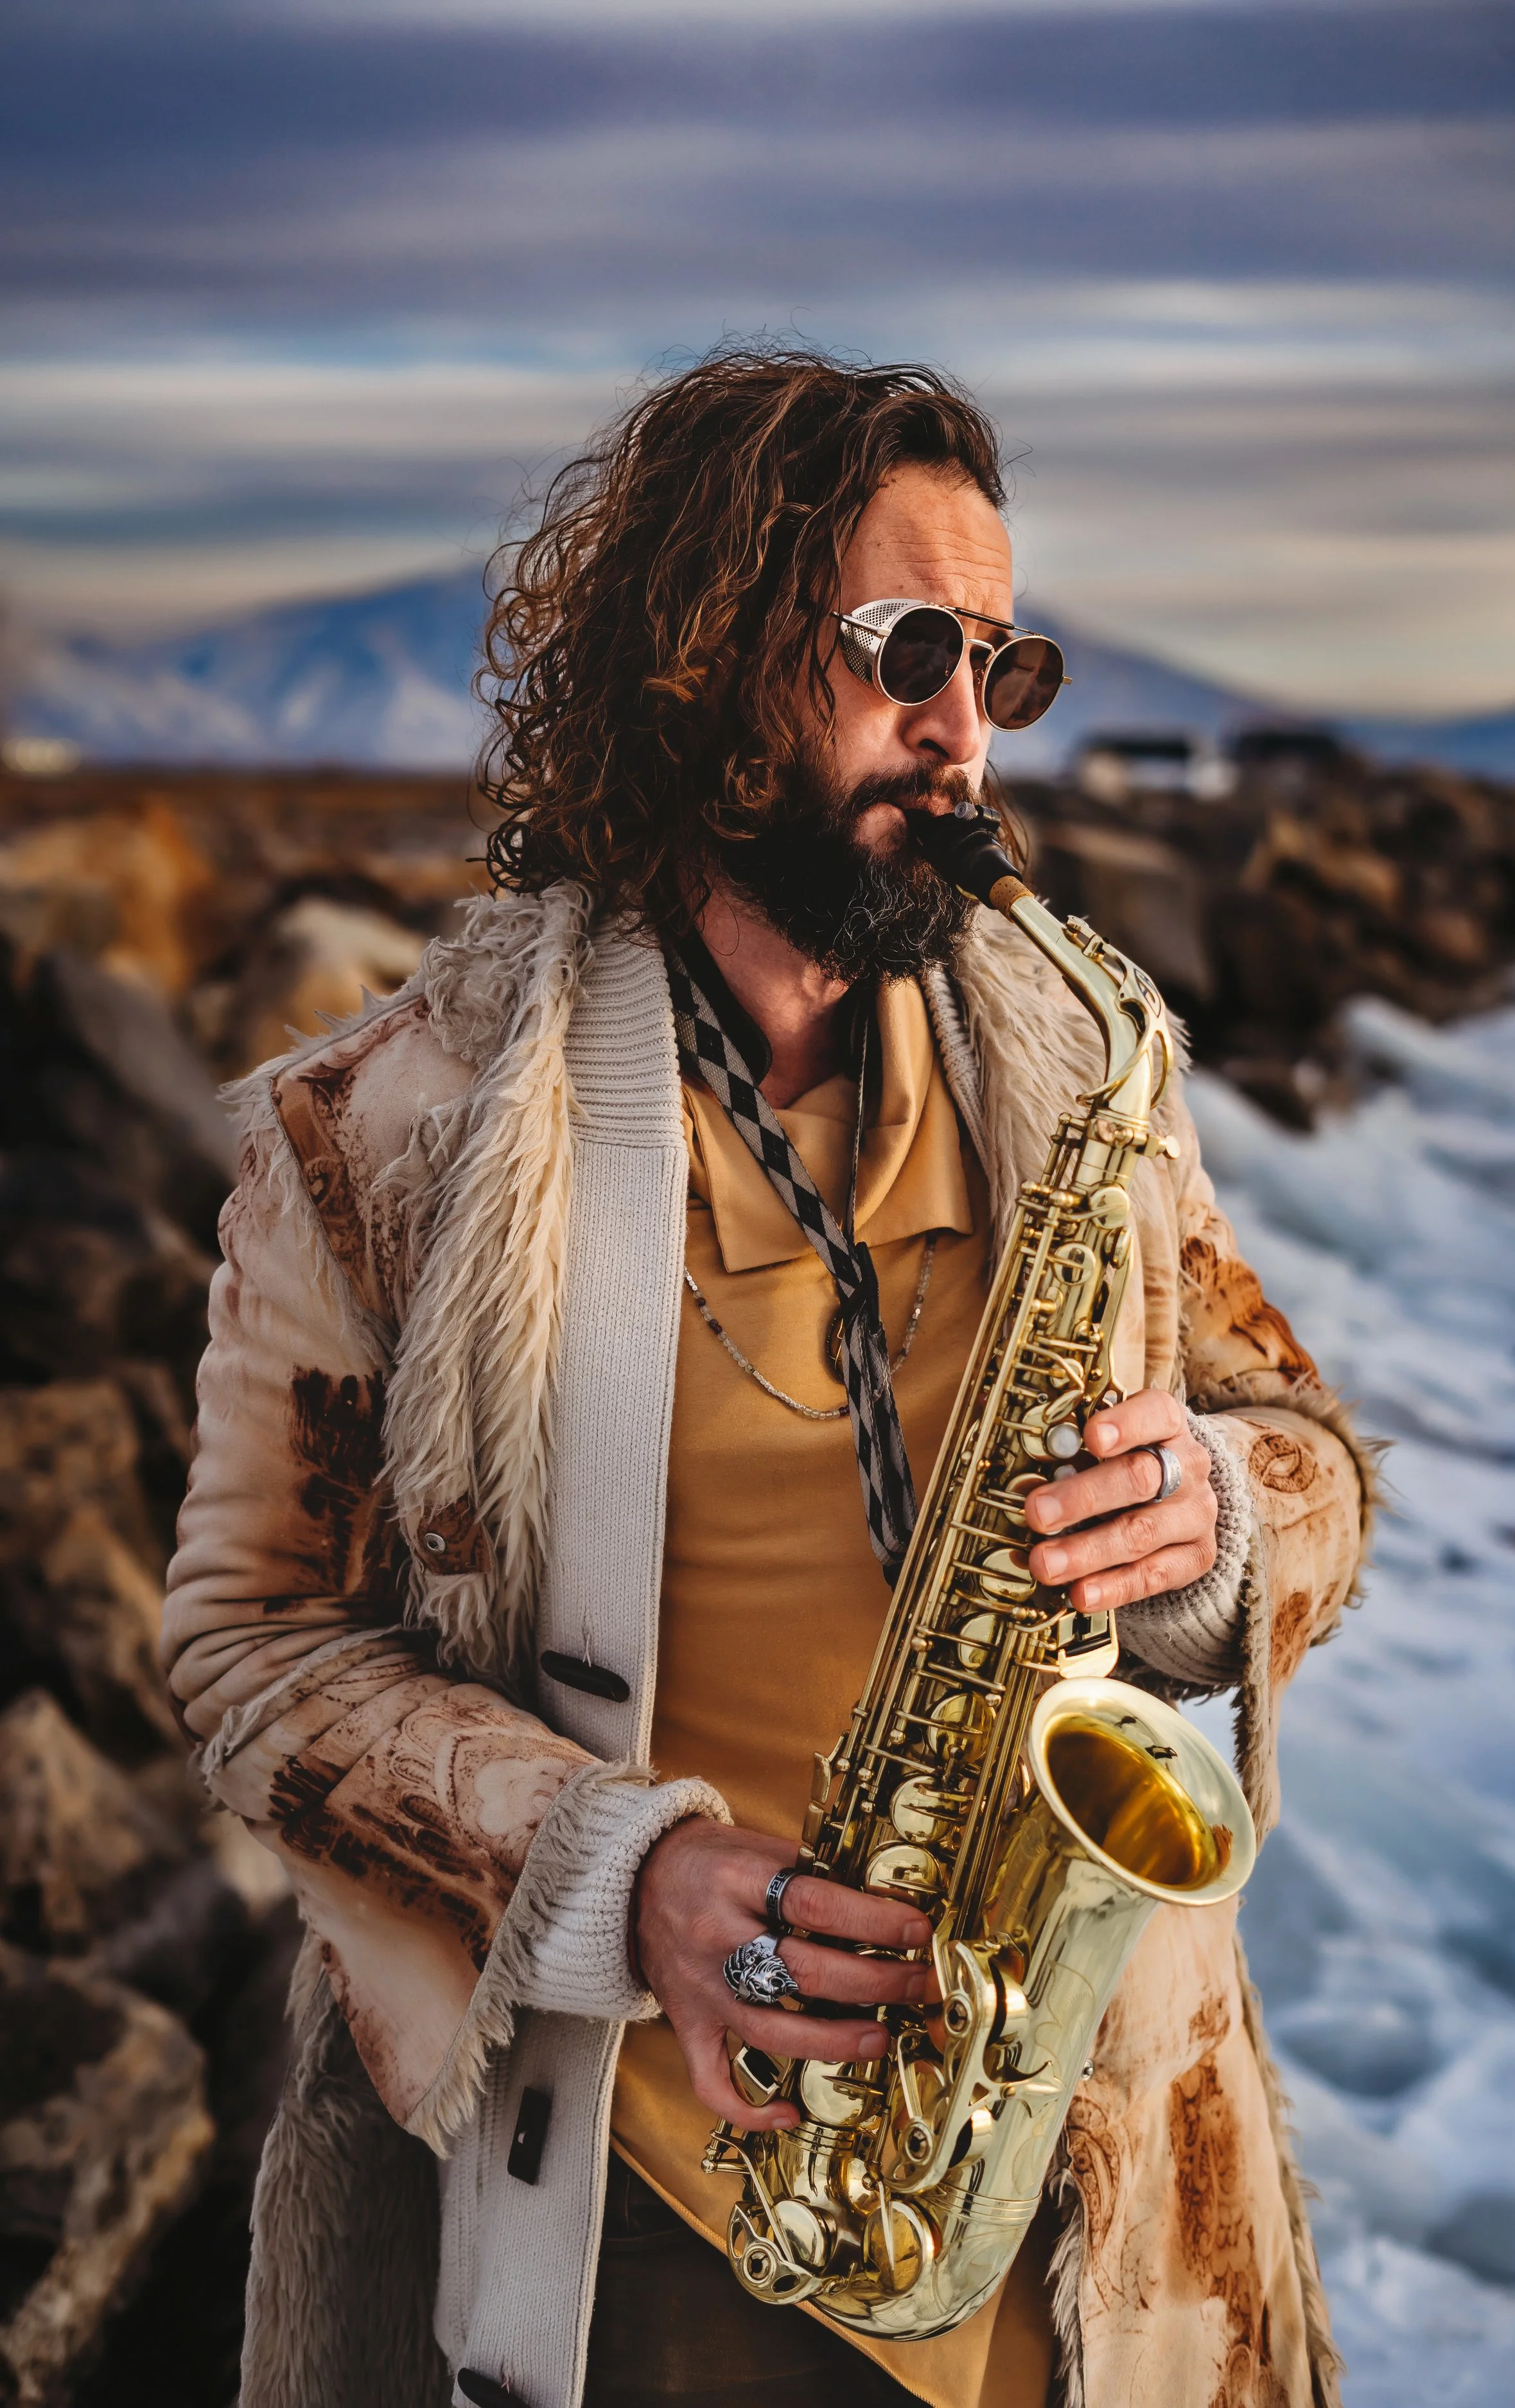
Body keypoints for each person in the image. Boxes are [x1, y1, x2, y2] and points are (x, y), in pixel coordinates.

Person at [163, 348, 1371, 2408]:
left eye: (1006, 665)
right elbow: (252, 1647)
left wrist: (1217, 1511)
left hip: (1099, 2213)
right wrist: (614, 1876)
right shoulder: (383, 1138)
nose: (965, 732)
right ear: (704, 662)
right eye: (910, 649)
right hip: (666, 2218)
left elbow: (1311, 1457)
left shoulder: (1086, 1062)